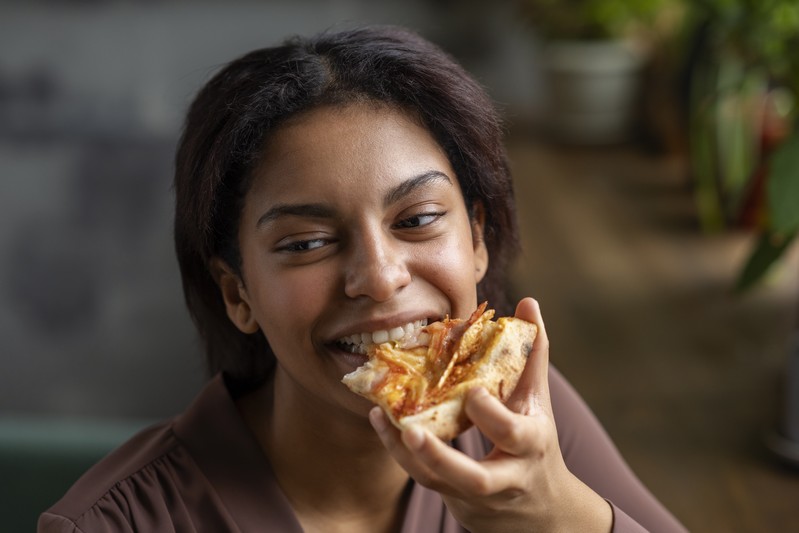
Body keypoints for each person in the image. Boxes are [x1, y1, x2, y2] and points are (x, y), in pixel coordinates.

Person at [39, 25, 686, 532]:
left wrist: (560, 516)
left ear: (477, 239)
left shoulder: (519, 418)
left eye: (419, 219)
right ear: (236, 293)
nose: (379, 277)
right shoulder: (108, 523)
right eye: (308, 242)